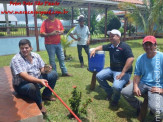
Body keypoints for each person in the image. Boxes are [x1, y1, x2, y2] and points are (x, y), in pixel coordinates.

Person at [10, 39, 58, 114]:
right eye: (22, 48)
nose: (24, 50)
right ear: (19, 49)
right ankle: (39, 104)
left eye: (26, 48)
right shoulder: (16, 59)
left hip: (37, 79)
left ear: (31, 48)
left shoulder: (36, 56)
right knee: (32, 86)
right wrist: (39, 81)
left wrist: (45, 70)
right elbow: (24, 76)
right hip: (22, 85)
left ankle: (46, 95)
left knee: (53, 74)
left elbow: (41, 69)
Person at [121, 36, 163, 121]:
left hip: (156, 86)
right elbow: (137, 75)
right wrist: (136, 86)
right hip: (143, 83)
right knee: (125, 92)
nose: (148, 47)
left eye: (150, 44)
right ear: (143, 46)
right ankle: (139, 106)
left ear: (155, 45)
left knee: (157, 109)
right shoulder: (141, 58)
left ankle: (158, 118)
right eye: (145, 44)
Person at [90, 29, 134, 106]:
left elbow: (131, 59)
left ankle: (115, 99)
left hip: (123, 72)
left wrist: (123, 73)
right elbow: (102, 47)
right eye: (109, 36)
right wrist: (95, 49)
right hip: (112, 69)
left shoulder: (125, 46)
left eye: (112, 36)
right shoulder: (111, 46)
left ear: (118, 37)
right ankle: (110, 92)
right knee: (98, 76)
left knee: (116, 86)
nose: (110, 38)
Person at [40, 7, 72, 76]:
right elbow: (41, 34)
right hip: (49, 44)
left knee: (61, 58)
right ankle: (54, 74)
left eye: (53, 14)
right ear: (48, 15)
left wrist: (61, 32)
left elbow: (62, 30)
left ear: (54, 14)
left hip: (58, 43)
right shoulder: (45, 22)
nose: (51, 15)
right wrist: (51, 34)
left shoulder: (58, 21)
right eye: (50, 14)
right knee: (52, 60)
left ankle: (64, 72)